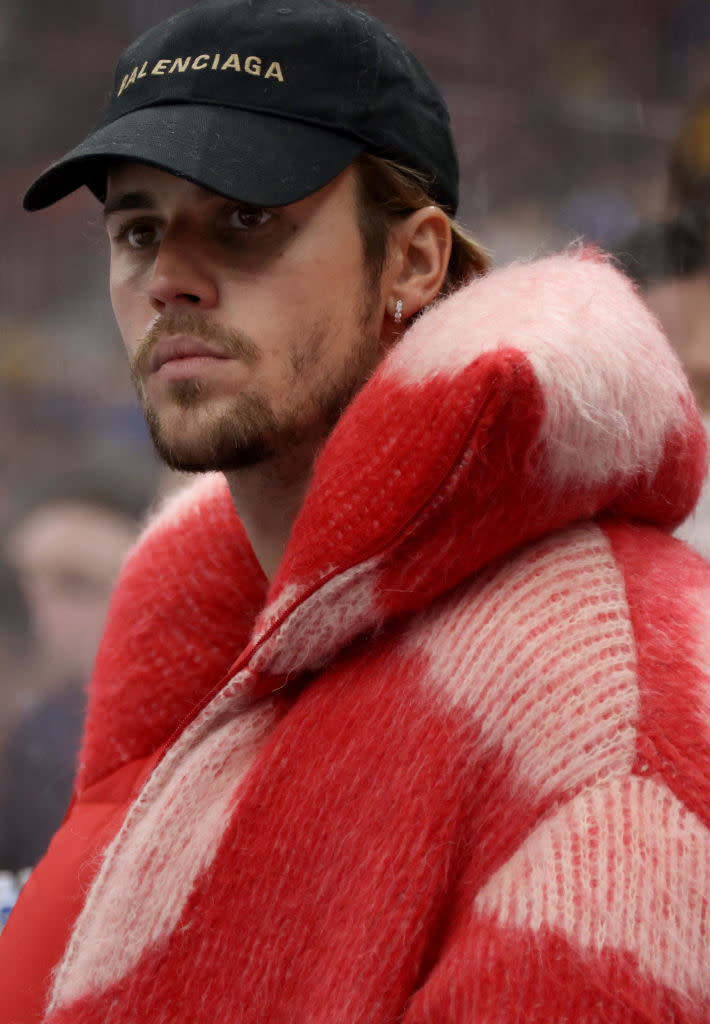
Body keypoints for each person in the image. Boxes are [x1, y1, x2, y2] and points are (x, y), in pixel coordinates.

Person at [2, 1, 709, 1021]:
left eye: (246, 217)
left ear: (416, 260)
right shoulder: (189, 649)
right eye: (139, 229)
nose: (167, 279)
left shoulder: (611, 688)